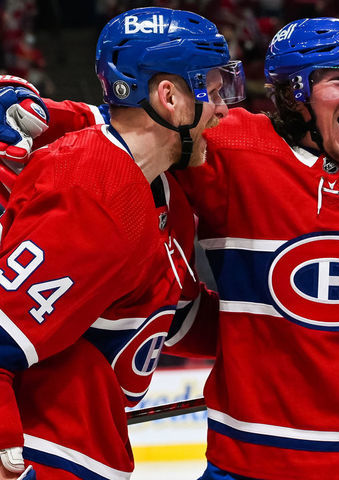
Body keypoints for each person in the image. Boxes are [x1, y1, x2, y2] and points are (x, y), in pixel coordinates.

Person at [0, 17, 339, 480]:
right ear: (295, 90)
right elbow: (133, 122)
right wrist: (46, 114)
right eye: (338, 78)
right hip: (246, 457)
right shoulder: (229, 148)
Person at [0, 7, 245, 479]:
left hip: (87, 451)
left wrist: (293, 334)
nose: (223, 109)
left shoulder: (167, 195)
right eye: (213, 91)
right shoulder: (91, 189)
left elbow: (173, 320)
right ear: (169, 97)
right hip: (46, 450)